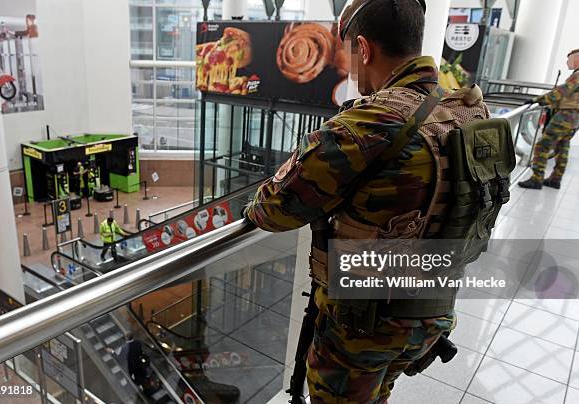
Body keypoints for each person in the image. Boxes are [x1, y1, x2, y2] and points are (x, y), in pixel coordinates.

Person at [244, 0, 497, 402]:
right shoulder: (469, 110)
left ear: (363, 48)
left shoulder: (365, 125)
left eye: (347, 55)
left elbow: (271, 209)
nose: (347, 68)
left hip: (363, 328)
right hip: (433, 312)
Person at [519, 48, 578, 190]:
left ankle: (536, 179)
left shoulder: (577, 75)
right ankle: (555, 179)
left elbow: (560, 92)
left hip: (565, 116)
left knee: (542, 145)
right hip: (574, 118)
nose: (566, 62)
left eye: (568, 59)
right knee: (562, 147)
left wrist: (537, 100)